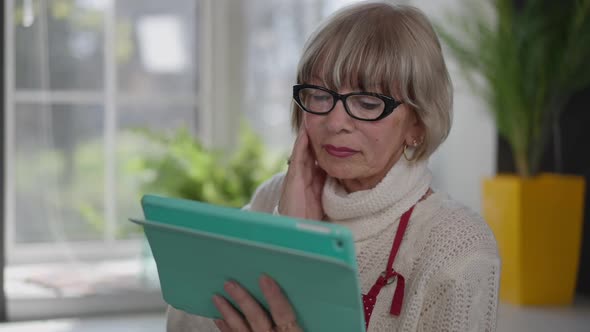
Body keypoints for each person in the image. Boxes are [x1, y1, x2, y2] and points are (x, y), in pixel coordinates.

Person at [168, 2, 500, 331]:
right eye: (320, 95)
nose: (335, 121)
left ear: (417, 125)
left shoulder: (457, 246)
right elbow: (182, 318)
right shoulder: (275, 197)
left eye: (368, 103)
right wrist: (286, 235)